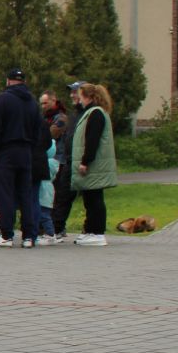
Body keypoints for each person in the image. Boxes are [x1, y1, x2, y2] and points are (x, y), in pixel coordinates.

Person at [0, 68, 41, 248]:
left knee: (5, 194)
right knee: (26, 194)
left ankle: (6, 234)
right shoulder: (32, 101)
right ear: (23, 81)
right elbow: (37, 129)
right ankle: (29, 236)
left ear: (8, 81)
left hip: (6, 151)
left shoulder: (3, 99)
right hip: (26, 151)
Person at [69, 82, 118, 246]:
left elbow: (92, 140)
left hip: (94, 165)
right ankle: (90, 230)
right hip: (94, 165)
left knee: (95, 198)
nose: (79, 100)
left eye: (81, 96)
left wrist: (85, 161)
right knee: (90, 198)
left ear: (88, 97)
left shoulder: (95, 114)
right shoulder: (93, 112)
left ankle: (97, 232)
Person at [42, 90, 74, 242]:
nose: (43, 106)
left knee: (57, 195)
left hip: (59, 159)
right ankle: (49, 226)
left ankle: (57, 227)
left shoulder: (61, 118)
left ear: (54, 101)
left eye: (46, 103)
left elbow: (51, 134)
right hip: (46, 159)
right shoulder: (44, 118)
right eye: (41, 103)